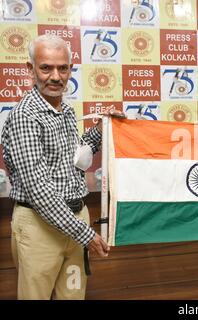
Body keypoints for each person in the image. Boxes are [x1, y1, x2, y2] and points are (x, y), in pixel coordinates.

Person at [1, 35, 121, 300]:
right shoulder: (25, 117)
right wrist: (85, 234)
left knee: (73, 298)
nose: (55, 76)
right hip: (38, 226)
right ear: (30, 69)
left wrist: (102, 129)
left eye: (62, 68)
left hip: (75, 219)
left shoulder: (65, 111)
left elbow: (76, 158)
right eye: (46, 68)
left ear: (70, 69)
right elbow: (39, 190)